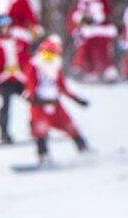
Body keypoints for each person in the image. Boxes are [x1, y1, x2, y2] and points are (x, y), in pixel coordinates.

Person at [24, 35, 90, 167]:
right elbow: (30, 83)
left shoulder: (56, 68)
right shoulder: (35, 66)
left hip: (55, 104)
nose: (49, 59)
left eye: (52, 55)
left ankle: (83, 148)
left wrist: (76, 99)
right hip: (39, 104)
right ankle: (43, 155)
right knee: (40, 129)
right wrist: (32, 96)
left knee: (70, 125)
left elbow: (62, 87)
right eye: (47, 55)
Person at [0, 15, 30, 144]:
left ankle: (38, 128)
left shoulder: (19, 42)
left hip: (19, 79)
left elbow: (27, 59)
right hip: (5, 80)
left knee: (33, 101)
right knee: (5, 107)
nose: (6, 30)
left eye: (8, 27)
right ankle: (4, 134)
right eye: (3, 28)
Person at [68, 0, 117, 82]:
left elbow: (106, 13)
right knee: (86, 52)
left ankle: (107, 72)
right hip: (87, 31)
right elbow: (75, 15)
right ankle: (89, 72)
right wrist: (80, 21)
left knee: (101, 52)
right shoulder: (82, 1)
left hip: (101, 31)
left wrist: (94, 19)